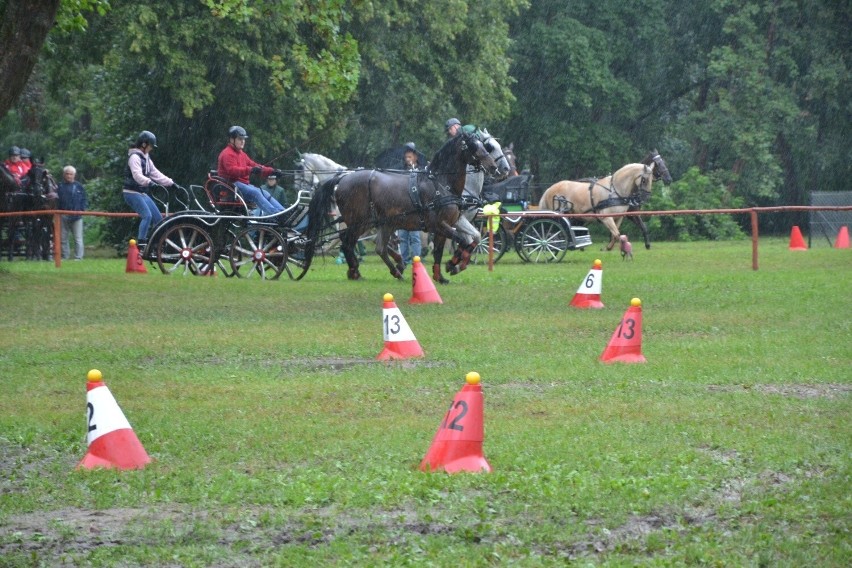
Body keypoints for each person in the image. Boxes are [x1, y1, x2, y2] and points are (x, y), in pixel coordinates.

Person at [123, 130, 176, 246]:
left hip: (141, 193)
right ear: (144, 144)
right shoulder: (134, 157)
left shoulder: (146, 158)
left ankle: (159, 243)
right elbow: (137, 175)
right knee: (147, 216)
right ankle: (141, 242)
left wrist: (170, 183)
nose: (151, 149)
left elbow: (155, 173)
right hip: (131, 192)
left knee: (158, 219)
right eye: (150, 146)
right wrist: (149, 182)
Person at [217, 126, 285, 216]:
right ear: (231, 139)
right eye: (240, 139)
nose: (243, 141)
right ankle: (276, 215)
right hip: (231, 185)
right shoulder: (227, 153)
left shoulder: (242, 154)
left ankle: (283, 212)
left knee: (264, 193)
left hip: (243, 185)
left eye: (244, 139)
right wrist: (250, 170)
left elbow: (254, 165)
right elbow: (232, 171)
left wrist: (272, 171)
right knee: (255, 193)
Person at [396, 142, 422, 268]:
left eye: (410, 157)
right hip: (402, 208)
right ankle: (404, 261)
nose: (407, 159)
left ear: (415, 157)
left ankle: (417, 260)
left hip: (415, 209)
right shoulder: (401, 171)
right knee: (402, 237)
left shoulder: (422, 170)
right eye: (406, 157)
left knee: (415, 237)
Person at [57, 165, 88, 260]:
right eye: (67, 174)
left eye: (71, 174)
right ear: (64, 175)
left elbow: (84, 199)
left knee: (78, 239)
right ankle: (64, 256)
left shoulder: (79, 186)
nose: (69, 176)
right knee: (62, 238)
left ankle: (78, 257)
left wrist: (82, 210)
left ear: (74, 175)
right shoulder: (59, 186)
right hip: (63, 215)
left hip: (77, 216)